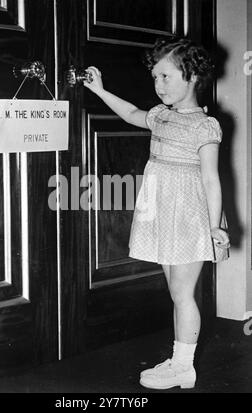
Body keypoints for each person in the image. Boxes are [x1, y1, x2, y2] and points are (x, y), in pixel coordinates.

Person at [83, 36, 230, 390]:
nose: (158, 84)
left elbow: (211, 178)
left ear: (192, 76)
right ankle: (180, 359)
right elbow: (133, 113)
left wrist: (214, 226)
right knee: (175, 289)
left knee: (182, 292)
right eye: (154, 77)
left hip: (190, 216)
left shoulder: (204, 126)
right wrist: (101, 91)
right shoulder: (161, 116)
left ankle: (183, 367)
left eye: (166, 76)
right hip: (163, 210)